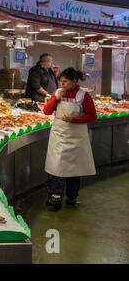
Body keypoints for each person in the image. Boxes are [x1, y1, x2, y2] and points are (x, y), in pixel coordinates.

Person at [43, 67, 97, 209]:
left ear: (74, 81)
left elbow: (92, 116)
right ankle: (55, 196)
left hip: (76, 136)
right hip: (59, 135)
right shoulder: (57, 93)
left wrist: (75, 119)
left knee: (74, 167)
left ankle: (72, 195)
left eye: (65, 82)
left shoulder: (82, 96)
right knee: (57, 165)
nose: (63, 84)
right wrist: (56, 98)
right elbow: (46, 111)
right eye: (61, 81)